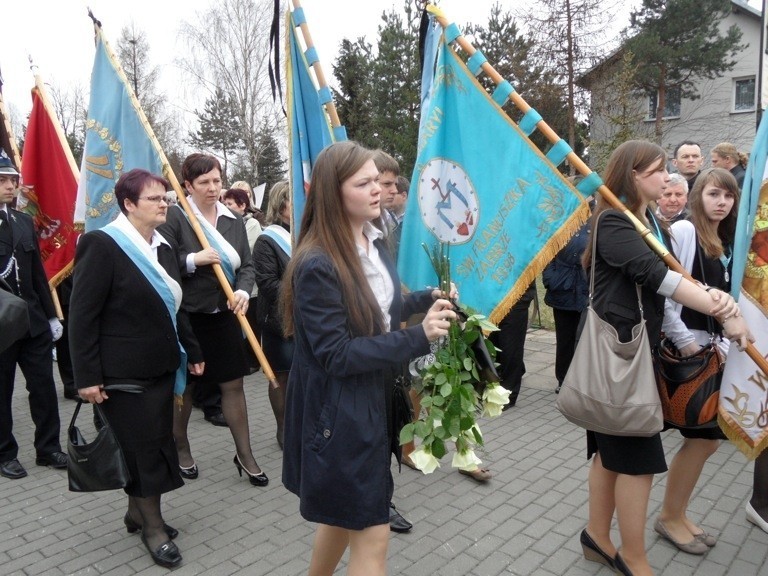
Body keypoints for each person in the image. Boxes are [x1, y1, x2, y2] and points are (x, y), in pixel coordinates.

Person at [281, 141, 456, 575]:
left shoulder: (372, 241)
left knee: (345, 518)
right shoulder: (317, 264)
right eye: (364, 183)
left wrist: (424, 298)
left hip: (369, 400)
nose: (379, 189)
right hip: (338, 413)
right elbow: (337, 355)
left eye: (378, 180)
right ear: (332, 193)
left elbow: (380, 309)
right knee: (372, 531)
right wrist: (419, 336)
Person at [578, 140, 751, 576]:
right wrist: (721, 308)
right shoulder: (614, 220)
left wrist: (715, 300)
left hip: (637, 356)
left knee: (607, 453)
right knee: (637, 463)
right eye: (658, 170)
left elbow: (672, 274)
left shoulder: (648, 219)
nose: (668, 177)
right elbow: (659, 277)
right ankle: (634, 558)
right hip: (617, 361)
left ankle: (597, 536)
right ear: (634, 175)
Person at [69, 169, 205, 569]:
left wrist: (192, 350)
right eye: (154, 198)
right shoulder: (101, 244)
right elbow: (82, 316)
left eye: (166, 197)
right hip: (120, 374)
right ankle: (153, 527)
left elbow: (173, 308)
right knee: (144, 450)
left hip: (161, 368)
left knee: (153, 443)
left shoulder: (162, 246)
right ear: (128, 204)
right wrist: (87, 377)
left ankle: (136, 512)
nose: (164, 203)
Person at [158, 153, 267, 487]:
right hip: (188, 318)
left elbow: (246, 265)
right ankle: (181, 447)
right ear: (187, 185)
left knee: (233, 385)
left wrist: (244, 293)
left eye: (217, 180)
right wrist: (193, 259)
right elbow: (162, 263)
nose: (212, 187)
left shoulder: (233, 220)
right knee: (187, 388)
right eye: (203, 182)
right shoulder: (175, 217)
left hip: (225, 316)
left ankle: (245, 454)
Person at [656, 167, 740, 555]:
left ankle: (677, 513)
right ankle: (670, 517)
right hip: (690, 353)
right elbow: (670, 295)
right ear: (697, 197)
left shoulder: (727, 238)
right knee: (702, 438)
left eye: (728, 196)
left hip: (717, 352)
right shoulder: (686, 232)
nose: (721, 203)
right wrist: (687, 342)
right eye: (714, 195)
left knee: (706, 440)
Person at [0, 149, 67, 480]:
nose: (10, 187)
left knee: (43, 386)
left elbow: (37, 275)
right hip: (1, 326)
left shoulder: (24, 221)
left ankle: (49, 447)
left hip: (33, 321)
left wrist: (53, 316)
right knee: (1, 391)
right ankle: (4, 453)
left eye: (13, 180)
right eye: (3, 181)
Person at [251, 180, 292, 448]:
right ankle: (283, 428)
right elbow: (267, 283)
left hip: (308, 319)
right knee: (281, 375)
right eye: (293, 200)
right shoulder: (267, 240)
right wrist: (305, 291)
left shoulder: (307, 233)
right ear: (280, 205)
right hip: (280, 321)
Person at [542, 220, 589, 394]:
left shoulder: (597, 218)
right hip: (563, 288)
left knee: (586, 339)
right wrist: (551, 278)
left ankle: (583, 382)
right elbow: (547, 251)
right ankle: (564, 380)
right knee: (565, 340)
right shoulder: (562, 219)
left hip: (586, 288)